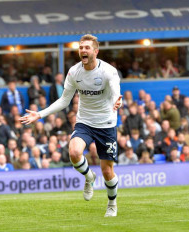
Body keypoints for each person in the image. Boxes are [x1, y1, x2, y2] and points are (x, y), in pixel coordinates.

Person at [19, 34, 122, 217]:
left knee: (107, 171)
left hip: (106, 123)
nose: (83, 50)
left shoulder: (108, 71)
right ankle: (89, 176)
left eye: (87, 47)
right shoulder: (74, 72)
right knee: (74, 152)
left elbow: (115, 90)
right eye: (81, 47)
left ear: (95, 51)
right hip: (85, 121)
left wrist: (117, 101)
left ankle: (112, 204)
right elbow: (64, 100)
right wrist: (40, 114)